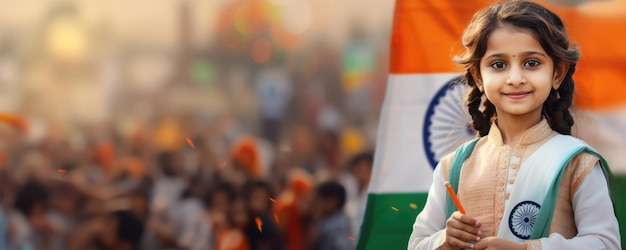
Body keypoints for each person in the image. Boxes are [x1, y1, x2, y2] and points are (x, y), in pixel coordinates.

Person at [407, 1, 621, 249]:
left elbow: (606, 243)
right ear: (478, 76)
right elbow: (417, 243)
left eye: (532, 63)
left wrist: (527, 248)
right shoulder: (453, 166)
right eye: (498, 65)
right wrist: (443, 240)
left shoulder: (577, 163)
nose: (515, 79)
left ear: (557, 74)